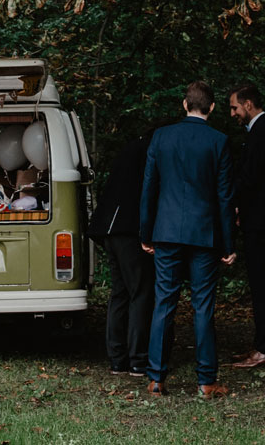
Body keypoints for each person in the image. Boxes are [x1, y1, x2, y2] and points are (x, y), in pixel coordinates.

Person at [140, 80, 236, 400]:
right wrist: (228, 244)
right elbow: (225, 198)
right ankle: (206, 382)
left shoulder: (161, 137)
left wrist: (146, 233)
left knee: (164, 303)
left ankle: (156, 379)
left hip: (166, 232)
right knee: (203, 307)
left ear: (184, 104)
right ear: (212, 107)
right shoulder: (219, 141)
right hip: (205, 235)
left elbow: (149, 189)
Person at [228, 81, 265, 369]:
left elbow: (251, 178)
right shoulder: (262, 131)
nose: (233, 113)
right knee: (259, 283)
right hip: (259, 218)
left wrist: (232, 202)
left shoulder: (263, 132)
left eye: (235, 107)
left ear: (248, 104)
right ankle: (262, 344)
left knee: (262, 284)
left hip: (262, 222)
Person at [89, 130, 155, 377]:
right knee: (140, 292)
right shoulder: (149, 151)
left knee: (120, 293)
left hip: (108, 228)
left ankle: (117, 358)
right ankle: (139, 359)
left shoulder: (128, 149)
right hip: (129, 229)